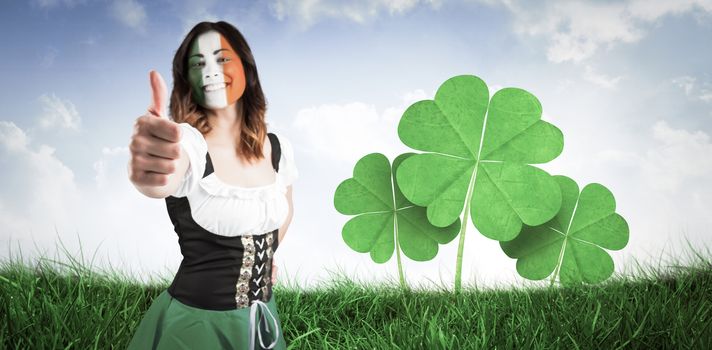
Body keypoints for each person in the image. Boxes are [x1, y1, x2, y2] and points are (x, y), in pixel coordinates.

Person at [126, 21, 296, 349]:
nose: (211, 70)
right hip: (196, 326)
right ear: (187, 78)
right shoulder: (188, 142)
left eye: (221, 58)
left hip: (261, 320)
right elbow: (163, 178)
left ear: (246, 67)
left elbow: (285, 209)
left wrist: (269, 254)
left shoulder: (277, 147)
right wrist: (152, 167)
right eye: (198, 63)